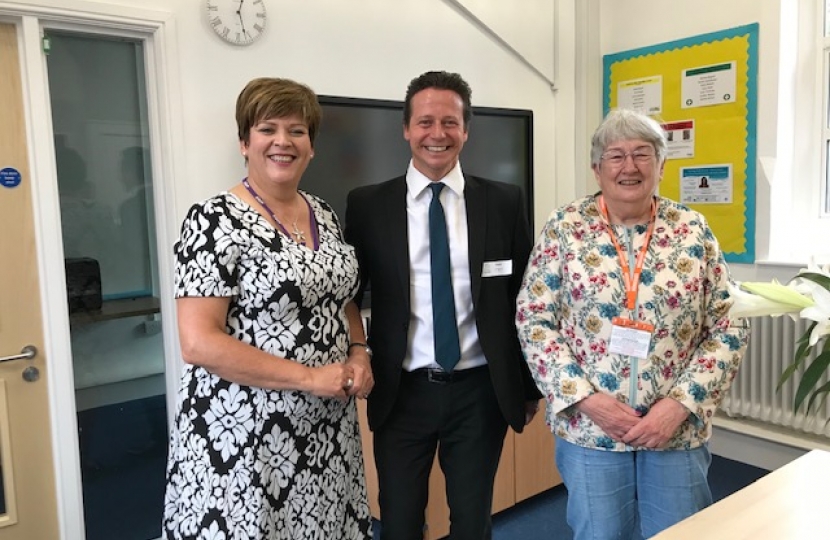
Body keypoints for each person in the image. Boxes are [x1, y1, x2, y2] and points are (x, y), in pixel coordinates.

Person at [515, 108, 749, 540]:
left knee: (682, 533)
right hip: (590, 429)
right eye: (615, 155)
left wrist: (679, 404)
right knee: (600, 534)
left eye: (643, 154)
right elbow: (534, 319)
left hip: (674, 429)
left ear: (661, 165)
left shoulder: (693, 230)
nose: (629, 167)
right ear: (597, 168)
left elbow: (729, 323)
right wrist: (587, 400)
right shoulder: (565, 227)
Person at [163, 77, 374, 540]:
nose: (283, 141)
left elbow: (343, 297)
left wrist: (359, 351)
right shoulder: (212, 220)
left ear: (311, 147)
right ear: (244, 142)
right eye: (267, 129)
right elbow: (199, 342)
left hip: (325, 431)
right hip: (244, 435)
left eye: (297, 131)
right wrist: (309, 378)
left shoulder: (323, 213)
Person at [345, 70, 541, 540]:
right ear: (407, 129)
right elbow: (347, 294)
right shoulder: (368, 204)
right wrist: (354, 355)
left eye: (450, 122)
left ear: (466, 130)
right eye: (426, 122)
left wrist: (528, 385)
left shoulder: (503, 201)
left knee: (473, 523)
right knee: (399, 522)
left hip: (479, 392)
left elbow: (525, 299)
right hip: (402, 391)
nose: (438, 134)